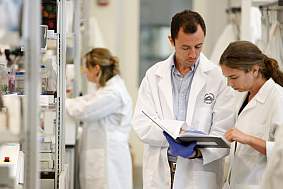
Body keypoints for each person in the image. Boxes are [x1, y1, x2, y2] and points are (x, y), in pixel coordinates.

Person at [133, 9, 235, 189]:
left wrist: (196, 152)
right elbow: (142, 123)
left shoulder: (217, 77)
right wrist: (177, 131)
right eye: (186, 48)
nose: (193, 55)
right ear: (171, 41)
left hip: (199, 174)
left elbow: (224, 131)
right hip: (161, 172)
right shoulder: (153, 75)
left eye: (199, 46)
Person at [65, 48, 133, 189]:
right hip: (103, 155)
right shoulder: (107, 89)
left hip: (109, 159)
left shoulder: (113, 93)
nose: (84, 71)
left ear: (96, 68)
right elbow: (85, 101)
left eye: (86, 67)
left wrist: (61, 102)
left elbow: (84, 110)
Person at [219, 41, 283, 189]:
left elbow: (280, 151)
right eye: (227, 78)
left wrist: (248, 139)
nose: (229, 84)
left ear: (254, 70)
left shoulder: (278, 98)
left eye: (234, 77)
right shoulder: (242, 96)